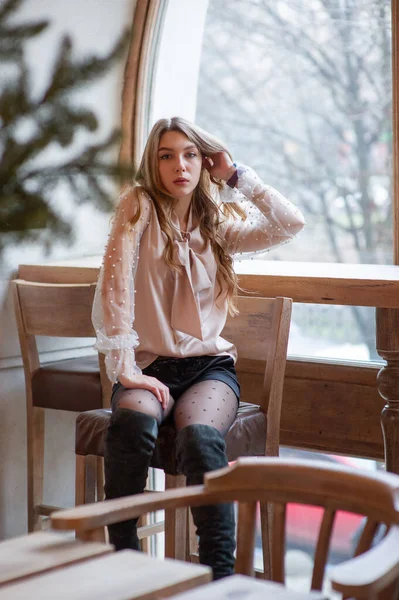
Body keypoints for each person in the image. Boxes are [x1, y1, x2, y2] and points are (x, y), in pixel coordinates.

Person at [92, 116, 305, 580]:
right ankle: (122, 564)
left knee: (201, 440)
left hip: (209, 369)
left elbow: (291, 223)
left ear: (204, 161)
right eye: (167, 155)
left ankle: (218, 578)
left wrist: (236, 177)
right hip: (149, 364)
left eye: (190, 154)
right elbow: (115, 288)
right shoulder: (138, 206)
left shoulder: (217, 223)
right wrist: (125, 368)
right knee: (130, 425)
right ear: (153, 162)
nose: (179, 165)